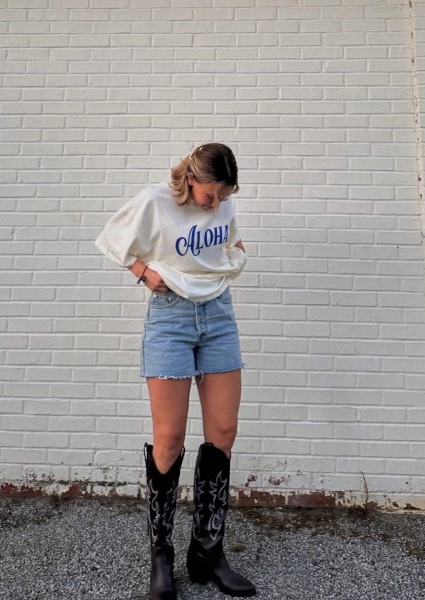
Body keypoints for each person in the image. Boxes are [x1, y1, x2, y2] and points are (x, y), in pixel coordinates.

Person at [95, 143, 256, 599]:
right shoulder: (154, 201)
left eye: (225, 194)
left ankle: (207, 551)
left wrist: (234, 256)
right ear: (191, 178)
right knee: (169, 437)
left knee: (223, 430)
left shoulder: (224, 206)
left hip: (219, 317)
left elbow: (231, 241)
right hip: (170, 319)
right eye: (211, 194)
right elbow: (111, 239)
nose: (217, 203)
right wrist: (144, 272)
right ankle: (161, 556)